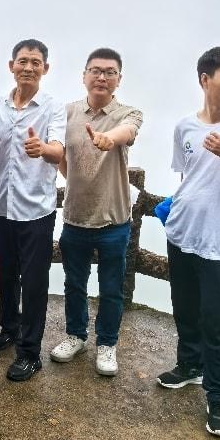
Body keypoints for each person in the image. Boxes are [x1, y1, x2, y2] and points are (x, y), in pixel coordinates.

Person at [158, 46, 220, 438]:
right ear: (205, 79)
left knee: (218, 323)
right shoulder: (185, 127)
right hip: (183, 234)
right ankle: (190, 366)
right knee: (185, 309)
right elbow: (187, 177)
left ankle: (219, 399)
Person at [50, 49, 143, 376]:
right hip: (75, 217)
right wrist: (74, 178)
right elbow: (61, 157)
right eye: (96, 70)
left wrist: (108, 138)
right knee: (74, 283)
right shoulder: (68, 113)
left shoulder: (128, 113)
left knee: (111, 288)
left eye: (110, 72)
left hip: (114, 220)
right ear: (84, 75)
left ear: (119, 78)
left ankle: (107, 343)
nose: (102, 77)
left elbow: (127, 132)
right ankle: (76, 336)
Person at [0, 39, 66, 381]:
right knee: (6, 272)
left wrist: (41, 148)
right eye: (23, 61)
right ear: (11, 66)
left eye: (35, 62)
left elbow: (58, 151)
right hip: (2, 205)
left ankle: (30, 353)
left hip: (36, 210)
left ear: (45, 68)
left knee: (34, 281)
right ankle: (10, 328)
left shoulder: (53, 107)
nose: (28, 67)